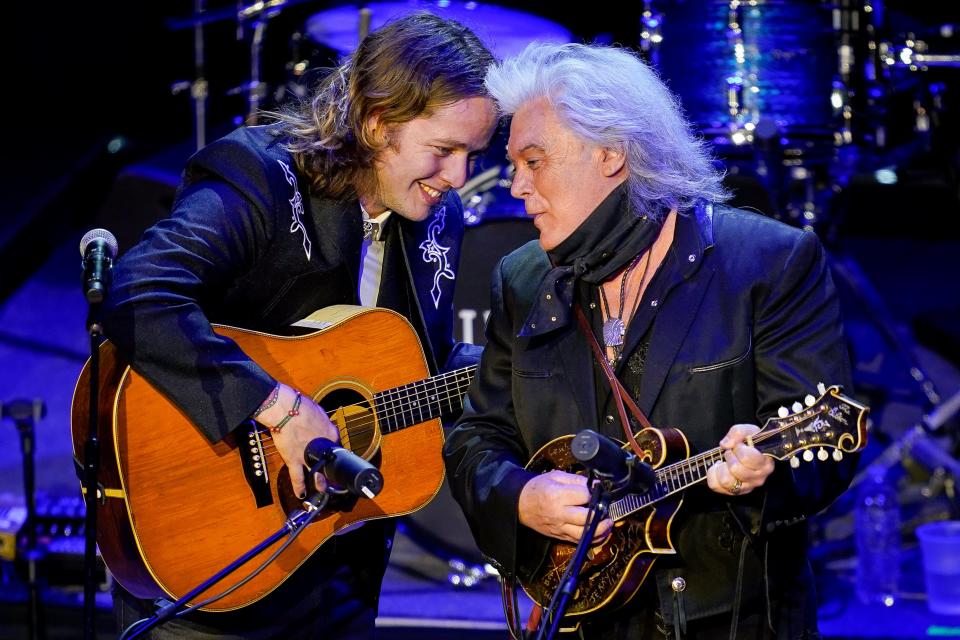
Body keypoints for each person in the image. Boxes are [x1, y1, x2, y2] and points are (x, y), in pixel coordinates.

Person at [101, 12, 497, 639]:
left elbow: (421, 367)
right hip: (215, 549)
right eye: (443, 151)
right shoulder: (259, 178)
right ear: (377, 126)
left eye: (471, 155)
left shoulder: (435, 221)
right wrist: (279, 407)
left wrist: (519, 368)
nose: (458, 179)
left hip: (340, 561)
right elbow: (140, 292)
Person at [443, 43, 858, 639]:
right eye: (515, 164)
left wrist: (768, 470)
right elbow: (477, 438)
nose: (516, 186)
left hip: (730, 622)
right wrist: (522, 497)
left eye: (534, 161)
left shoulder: (767, 263)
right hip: (574, 620)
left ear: (611, 153)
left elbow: (828, 458)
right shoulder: (523, 277)